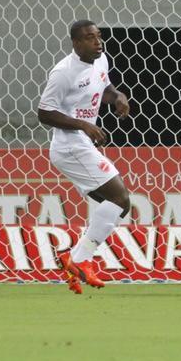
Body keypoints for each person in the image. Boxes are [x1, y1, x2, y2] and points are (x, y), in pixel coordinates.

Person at [37, 20, 132, 294]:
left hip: (82, 145)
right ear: (76, 43)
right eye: (90, 38)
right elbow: (44, 113)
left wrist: (118, 97)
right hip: (69, 146)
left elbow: (104, 87)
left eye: (98, 36)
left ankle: (74, 259)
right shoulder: (63, 73)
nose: (97, 42)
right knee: (120, 198)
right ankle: (81, 259)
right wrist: (83, 125)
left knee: (115, 206)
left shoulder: (101, 59)